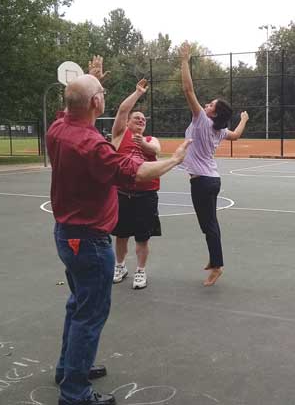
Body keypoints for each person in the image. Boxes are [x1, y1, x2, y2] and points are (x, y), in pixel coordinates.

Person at [47, 69, 190, 405]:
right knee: (89, 315)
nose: (104, 94)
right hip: (89, 241)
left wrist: (87, 79)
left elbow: (73, 104)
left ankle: (69, 368)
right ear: (96, 102)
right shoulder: (93, 146)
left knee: (78, 305)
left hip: (67, 235)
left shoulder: (57, 128)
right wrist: (175, 159)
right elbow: (137, 172)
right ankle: (75, 394)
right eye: (101, 92)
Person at [179, 42, 249, 286]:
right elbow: (237, 135)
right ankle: (214, 259)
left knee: (207, 225)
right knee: (210, 223)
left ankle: (217, 266)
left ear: (213, 114)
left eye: (210, 105)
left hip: (202, 182)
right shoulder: (219, 130)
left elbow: (188, 90)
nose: (205, 105)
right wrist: (244, 119)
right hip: (212, 180)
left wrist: (185, 60)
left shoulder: (202, 121)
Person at [109, 78, 161, 290]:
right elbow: (122, 110)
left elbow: (155, 150)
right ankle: (120, 266)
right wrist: (138, 93)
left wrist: (144, 143)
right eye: (136, 118)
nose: (141, 120)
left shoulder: (151, 138)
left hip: (145, 195)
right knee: (121, 235)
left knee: (142, 237)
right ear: (128, 122)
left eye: (143, 119)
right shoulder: (120, 135)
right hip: (122, 193)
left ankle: (140, 270)